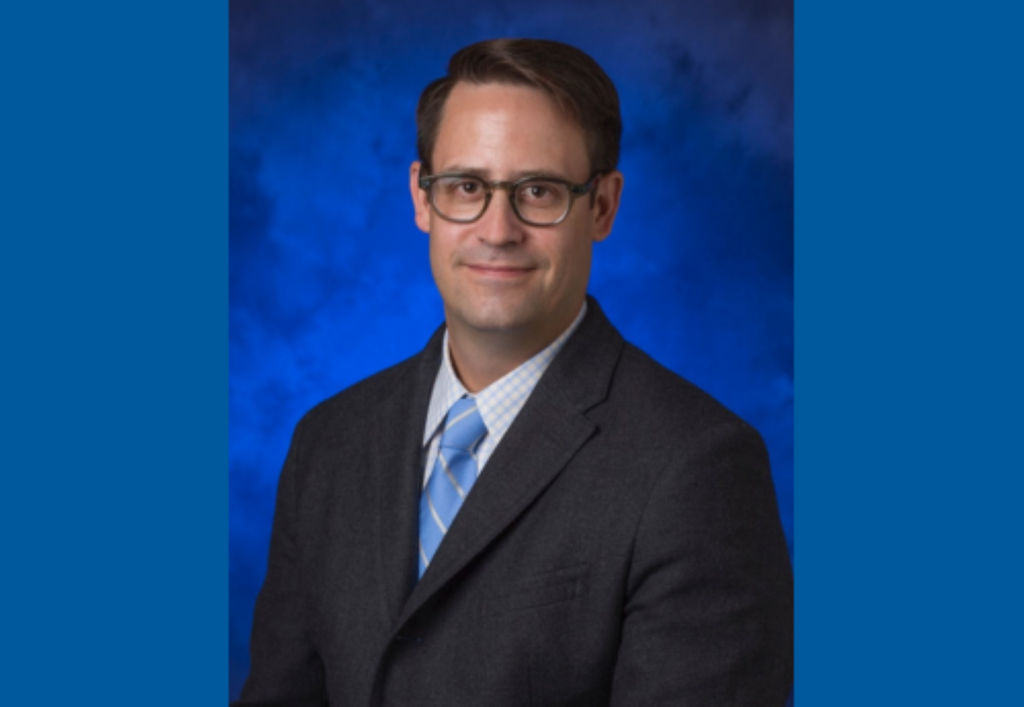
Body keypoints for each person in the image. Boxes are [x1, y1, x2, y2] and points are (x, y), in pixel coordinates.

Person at [235, 38, 793, 706]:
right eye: (466, 186)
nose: (497, 229)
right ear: (422, 197)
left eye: (539, 191)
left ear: (604, 206)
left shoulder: (697, 467)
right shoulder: (327, 444)